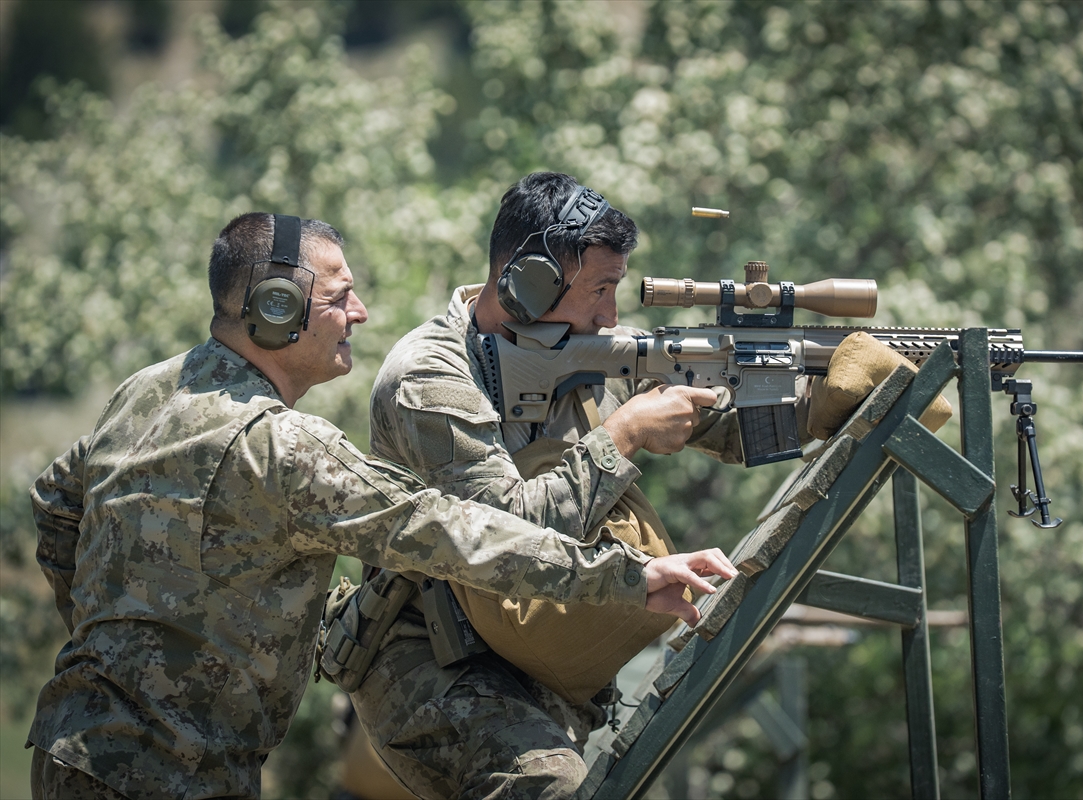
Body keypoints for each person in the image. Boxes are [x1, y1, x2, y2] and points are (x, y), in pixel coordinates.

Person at [26, 212, 736, 800]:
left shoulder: (145, 392)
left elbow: (56, 502)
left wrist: (109, 641)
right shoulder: (285, 448)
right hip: (174, 771)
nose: (359, 313)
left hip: (71, 746)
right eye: (340, 298)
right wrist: (627, 577)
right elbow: (451, 532)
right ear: (276, 310)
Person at [351, 173, 775, 799]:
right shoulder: (428, 378)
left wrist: (818, 394)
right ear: (528, 284)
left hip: (543, 649)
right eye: (599, 290)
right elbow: (503, 536)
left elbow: (726, 424)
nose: (610, 315)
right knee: (552, 787)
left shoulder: (587, 348)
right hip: (436, 661)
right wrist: (625, 433)